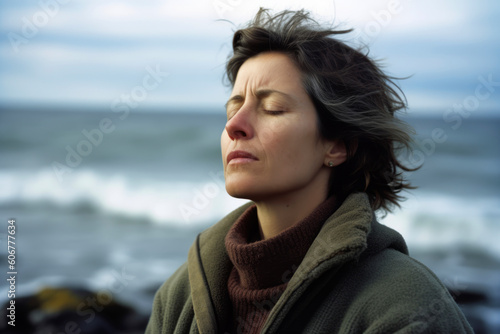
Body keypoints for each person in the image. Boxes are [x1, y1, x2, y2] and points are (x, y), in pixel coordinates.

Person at [146, 9, 473, 334]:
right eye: (233, 108)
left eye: (272, 108)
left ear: (338, 145)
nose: (234, 126)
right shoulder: (179, 296)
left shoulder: (405, 310)